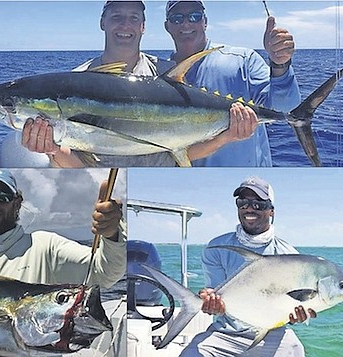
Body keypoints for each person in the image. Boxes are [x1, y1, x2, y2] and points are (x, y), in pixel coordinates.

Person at [21, 1, 178, 167]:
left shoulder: (166, 73)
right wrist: (53, 150)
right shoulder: (76, 80)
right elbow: (78, 166)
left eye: (134, 18)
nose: (125, 25)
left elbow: (188, 145)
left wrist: (210, 140)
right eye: (117, 17)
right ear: (102, 22)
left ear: (143, 26)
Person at [180, 176, 315, 356]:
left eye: (258, 203)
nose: (249, 208)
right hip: (225, 333)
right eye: (242, 202)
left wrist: (297, 316)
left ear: (271, 211)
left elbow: (289, 304)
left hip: (272, 333)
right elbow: (215, 289)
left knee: (296, 351)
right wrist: (209, 299)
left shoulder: (290, 256)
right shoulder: (216, 248)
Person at [164, 0, 301, 166]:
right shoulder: (160, 74)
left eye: (195, 16)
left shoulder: (243, 60)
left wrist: (280, 64)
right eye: (177, 18)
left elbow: (285, 108)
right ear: (167, 26)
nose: (186, 23)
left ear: (205, 22)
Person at [0, 168, 126, 288]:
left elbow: (104, 274)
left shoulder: (46, 246)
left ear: (17, 203)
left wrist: (111, 234)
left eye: (3, 197)